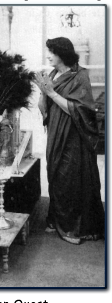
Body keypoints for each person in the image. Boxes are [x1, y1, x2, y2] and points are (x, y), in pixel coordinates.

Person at [34, 37, 105, 245]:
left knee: (69, 178)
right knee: (55, 174)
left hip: (74, 136)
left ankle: (73, 228)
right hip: (56, 132)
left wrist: (51, 92)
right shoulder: (54, 74)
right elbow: (44, 108)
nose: (48, 56)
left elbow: (80, 110)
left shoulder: (80, 75)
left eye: (52, 52)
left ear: (62, 54)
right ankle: (58, 221)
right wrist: (42, 93)